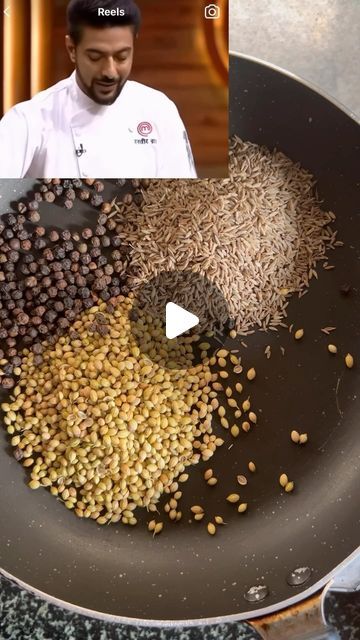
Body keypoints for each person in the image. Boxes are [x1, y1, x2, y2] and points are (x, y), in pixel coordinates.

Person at [0, 0, 197, 179]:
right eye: (95, 57)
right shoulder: (28, 120)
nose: (109, 72)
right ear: (72, 49)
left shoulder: (160, 110)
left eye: (121, 57)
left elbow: (184, 201)